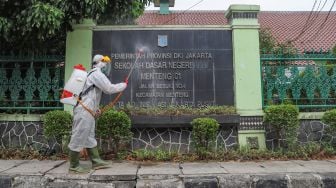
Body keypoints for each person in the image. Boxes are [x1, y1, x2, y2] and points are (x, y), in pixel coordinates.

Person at [68, 54, 127, 173]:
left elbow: (92, 96)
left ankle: (96, 161)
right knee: (79, 135)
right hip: (84, 111)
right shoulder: (96, 74)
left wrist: (96, 109)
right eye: (106, 63)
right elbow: (109, 88)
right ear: (100, 63)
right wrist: (123, 85)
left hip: (88, 111)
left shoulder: (94, 74)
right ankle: (73, 166)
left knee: (89, 136)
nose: (107, 66)